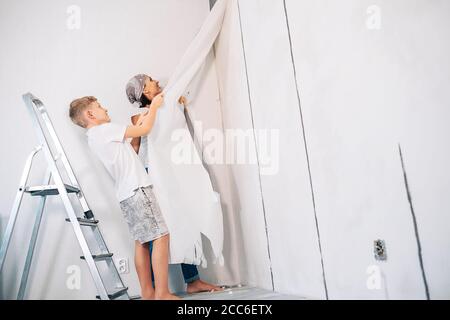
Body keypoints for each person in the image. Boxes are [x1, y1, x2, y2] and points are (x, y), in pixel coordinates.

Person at [69, 94, 179, 300]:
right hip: (138, 189)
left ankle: (148, 294)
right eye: (100, 106)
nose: (106, 109)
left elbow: (133, 151)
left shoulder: (95, 138)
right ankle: (162, 294)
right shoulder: (105, 130)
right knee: (161, 236)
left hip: (126, 194)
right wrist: (154, 106)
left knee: (142, 242)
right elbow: (145, 130)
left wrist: (143, 120)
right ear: (91, 114)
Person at [125, 74, 223, 294]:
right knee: (156, 231)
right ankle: (151, 291)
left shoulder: (170, 107)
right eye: (150, 81)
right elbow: (136, 149)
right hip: (152, 177)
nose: (157, 81)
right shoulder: (138, 117)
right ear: (146, 93)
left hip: (173, 173)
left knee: (183, 221)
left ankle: (193, 280)